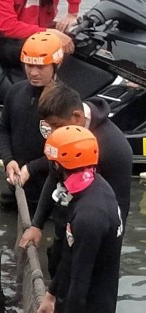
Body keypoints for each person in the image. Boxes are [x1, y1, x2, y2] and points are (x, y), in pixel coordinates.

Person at [32, 126, 123, 313]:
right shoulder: (92, 187)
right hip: (86, 308)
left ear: (62, 165)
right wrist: (50, 295)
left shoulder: (89, 215)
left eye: (53, 163)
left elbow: (80, 282)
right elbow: (70, 258)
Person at [20, 81, 132, 277]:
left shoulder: (116, 149)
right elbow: (53, 177)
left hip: (91, 238)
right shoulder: (64, 135)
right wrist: (37, 224)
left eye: (57, 126)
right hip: (64, 226)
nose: (54, 134)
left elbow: (120, 209)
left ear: (77, 117)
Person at [0, 31, 64, 214]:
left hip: (48, 193)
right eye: (29, 65)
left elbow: (65, 152)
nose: (33, 72)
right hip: (15, 186)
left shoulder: (66, 101)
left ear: (56, 65)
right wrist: (8, 160)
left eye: (41, 67)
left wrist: (31, 169)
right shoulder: (15, 92)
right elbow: (2, 130)